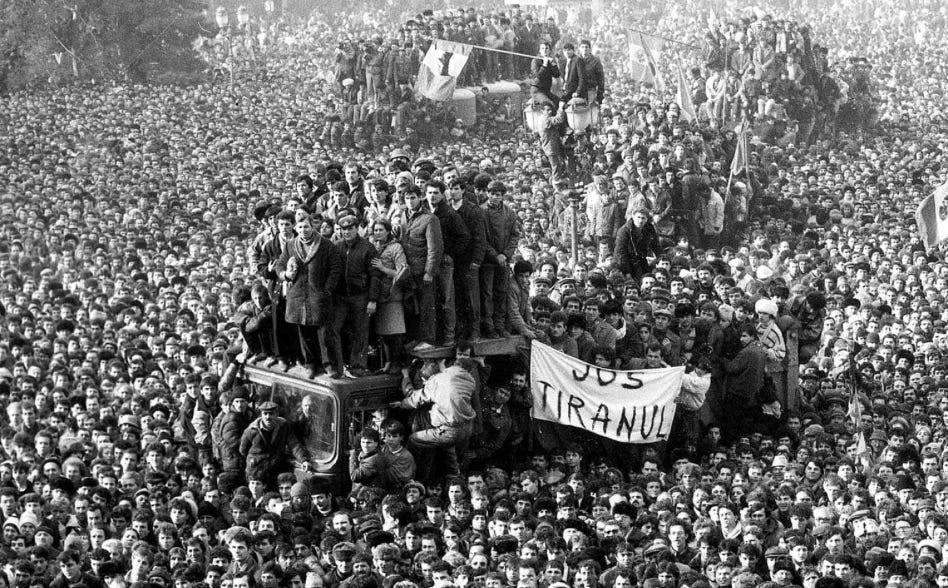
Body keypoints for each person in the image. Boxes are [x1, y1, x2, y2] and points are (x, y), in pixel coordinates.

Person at [276, 212, 345, 379]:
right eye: (300, 227)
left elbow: (335, 268)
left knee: (324, 333)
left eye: (306, 226)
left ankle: (329, 365)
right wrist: (286, 275)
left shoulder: (326, 245)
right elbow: (280, 265)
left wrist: (327, 289)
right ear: (295, 228)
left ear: (312, 226)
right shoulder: (290, 245)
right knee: (304, 333)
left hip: (319, 296)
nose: (303, 230)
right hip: (298, 296)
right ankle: (310, 365)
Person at [393, 358, 476, 482]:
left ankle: (407, 475)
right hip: (466, 428)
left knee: (413, 439)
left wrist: (401, 403)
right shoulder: (470, 381)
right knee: (449, 449)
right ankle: (455, 479)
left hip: (448, 430)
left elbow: (414, 398)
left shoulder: (438, 380)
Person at [331, 214, 380, 378]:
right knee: (334, 329)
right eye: (343, 229)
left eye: (350, 228)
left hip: (361, 296)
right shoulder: (337, 247)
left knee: (360, 332)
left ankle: (358, 366)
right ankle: (337, 366)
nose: (347, 232)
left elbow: (375, 275)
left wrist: (372, 299)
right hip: (340, 297)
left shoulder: (367, 248)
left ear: (357, 228)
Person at [426, 180, 470, 347]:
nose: (432, 196)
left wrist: (449, 254)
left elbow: (464, 236)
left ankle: (449, 336)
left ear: (442, 194)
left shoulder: (449, 214)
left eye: (436, 193)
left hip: (444, 262)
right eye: (429, 192)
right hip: (429, 260)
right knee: (432, 299)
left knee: (447, 298)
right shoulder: (425, 211)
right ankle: (435, 336)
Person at [402, 186, 443, 350]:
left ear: (420, 197)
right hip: (409, 271)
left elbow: (435, 248)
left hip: (422, 271)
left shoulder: (430, 219)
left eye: (413, 197)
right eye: (407, 198)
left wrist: (429, 272)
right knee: (413, 307)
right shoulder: (405, 216)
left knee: (427, 306)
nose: (410, 201)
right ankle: (416, 338)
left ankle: (428, 340)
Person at [238, 401, 311, 488]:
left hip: (274, 470)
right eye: (265, 414)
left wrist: (304, 460)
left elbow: (294, 444)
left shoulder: (283, 426)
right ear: (261, 415)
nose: (268, 417)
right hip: (256, 472)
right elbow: (243, 451)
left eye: (271, 414)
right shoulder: (251, 430)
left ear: (277, 414)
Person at [481, 180, 521, 338]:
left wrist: (505, 254)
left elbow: (515, 235)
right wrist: (494, 255)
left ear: (502, 196)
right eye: (491, 194)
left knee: (501, 292)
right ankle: (489, 326)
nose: (494, 197)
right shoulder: (481, 211)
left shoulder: (509, 213)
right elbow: (481, 238)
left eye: (497, 195)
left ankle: (499, 325)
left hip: (504, 260)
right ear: (487, 193)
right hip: (487, 261)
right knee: (487, 294)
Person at [369, 219, 409, 374]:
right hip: (378, 295)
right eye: (375, 230)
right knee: (384, 332)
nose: (378, 233)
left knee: (395, 332)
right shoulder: (373, 246)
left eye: (381, 230)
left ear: (388, 231)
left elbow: (402, 272)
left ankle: (396, 364)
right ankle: (388, 362)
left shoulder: (395, 247)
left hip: (392, 295)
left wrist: (382, 268)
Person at [614, 208, 661, 281]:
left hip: (641, 260)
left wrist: (660, 258)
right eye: (638, 217)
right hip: (626, 262)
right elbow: (620, 253)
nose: (640, 221)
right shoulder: (624, 231)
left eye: (643, 218)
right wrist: (627, 272)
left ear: (646, 219)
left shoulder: (649, 228)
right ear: (633, 217)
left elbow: (656, 245)